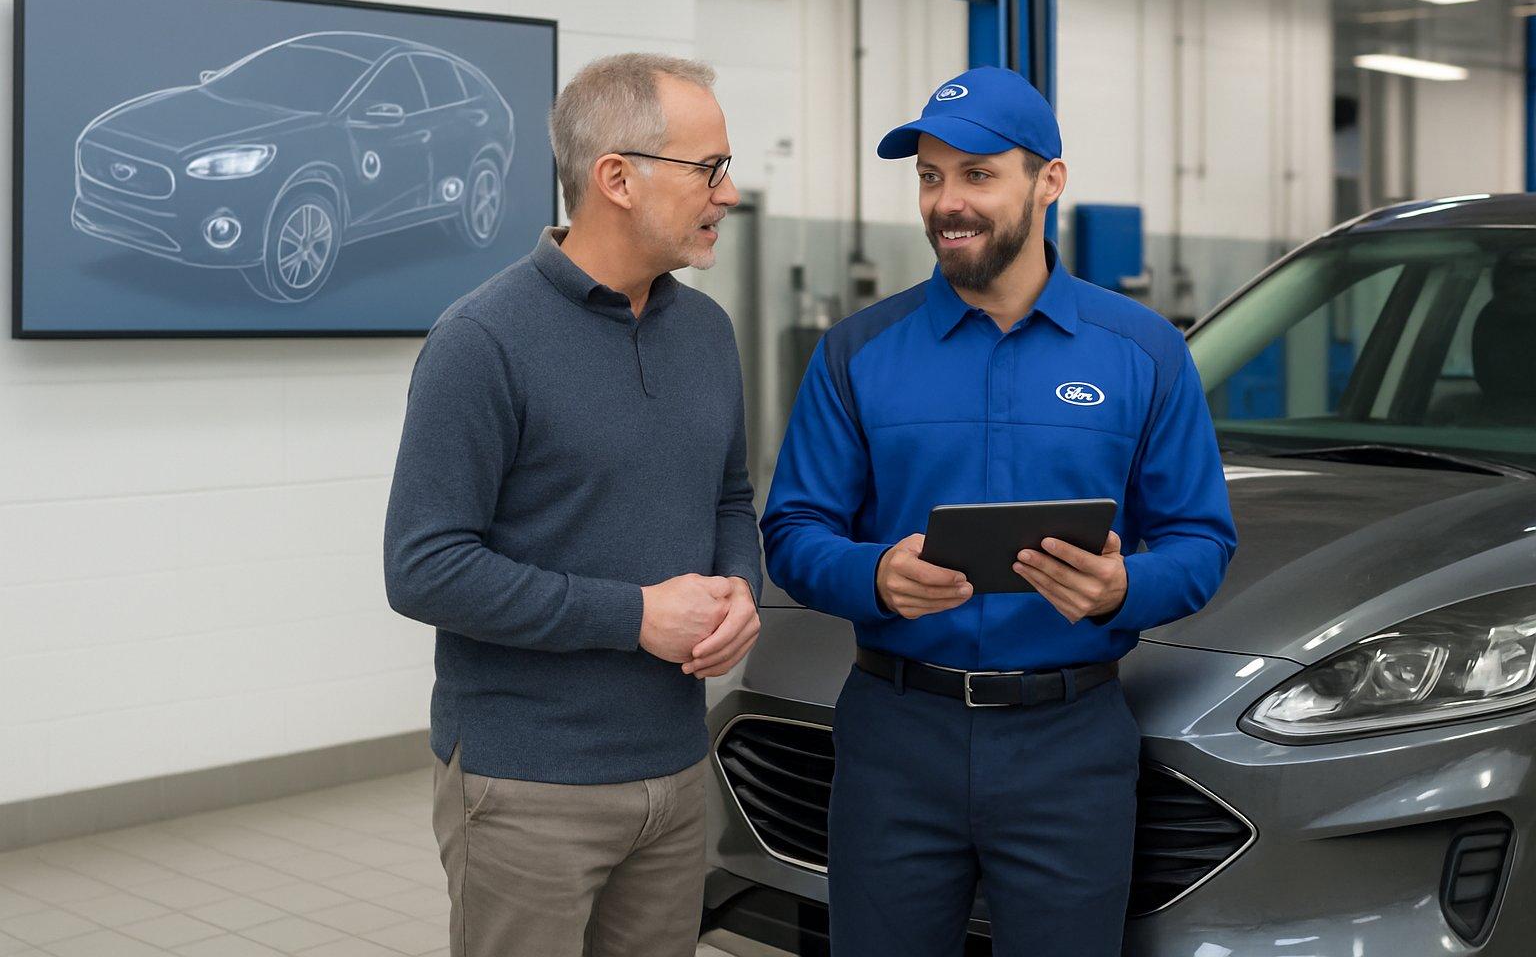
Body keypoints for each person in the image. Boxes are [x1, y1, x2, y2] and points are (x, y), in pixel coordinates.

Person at [760, 65, 1237, 957]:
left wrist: (1119, 588)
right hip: (897, 739)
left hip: (1069, 745)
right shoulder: (858, 353)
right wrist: (874, 574)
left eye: (978, 174)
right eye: (931, 177)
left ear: (1048, 180)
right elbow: (791, 532)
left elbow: (1203, 541)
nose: (949, 203)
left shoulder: (1143, 354)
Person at [384, 53, 762, 957]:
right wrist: (634, 616)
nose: (730, 192)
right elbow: (423, 567)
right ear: (617, 179)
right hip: (526, 787)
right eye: (709, 168)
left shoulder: (706, 331)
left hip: (674, 772)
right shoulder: (481, 341)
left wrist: (740, 588)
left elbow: (731, 498)